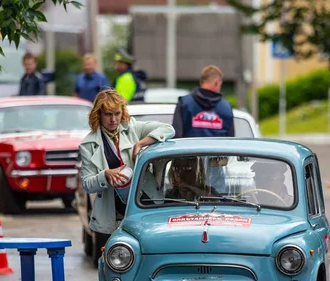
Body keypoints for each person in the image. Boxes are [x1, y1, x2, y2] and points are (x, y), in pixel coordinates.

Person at [79, 89, 174, 237]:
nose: (113, 120)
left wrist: (140, 144)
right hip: (113, 211)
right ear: (98, 114)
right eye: (108, 114)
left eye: (117, 113)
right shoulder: (88, 144)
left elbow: (168, 129)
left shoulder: (133, 127)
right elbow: (87, 184)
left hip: (145, 201)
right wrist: (105, 175)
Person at [172, 65, 234, 138]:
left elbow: (176, 137)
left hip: (190, 149)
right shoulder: (226, 108)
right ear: (217, 83)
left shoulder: (184, 104)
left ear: (201, 82)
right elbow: (230, 142)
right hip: (218, 150)